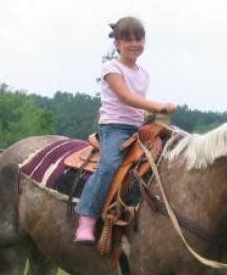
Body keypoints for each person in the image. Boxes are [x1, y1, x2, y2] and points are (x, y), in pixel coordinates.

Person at [73, 16, 177, 245]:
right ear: (117, 43)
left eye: (138, 38)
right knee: (109, 164)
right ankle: (87, 219)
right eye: (127, 39)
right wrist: (158, 106)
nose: (134, 43)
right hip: (114, 128)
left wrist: (153, 117)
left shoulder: (143, 73)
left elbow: (138, 106)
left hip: (137, 128)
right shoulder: (111, 68)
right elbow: (126, 97)